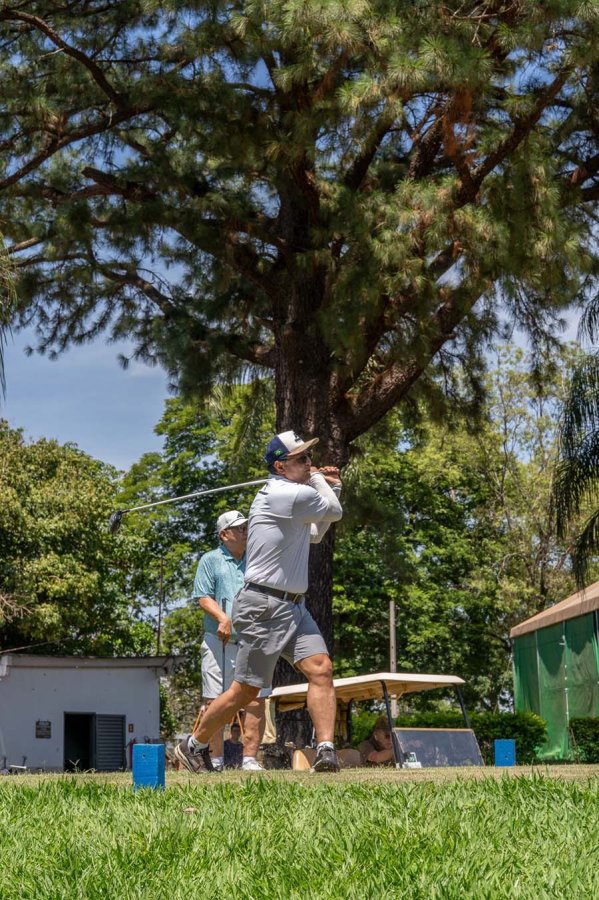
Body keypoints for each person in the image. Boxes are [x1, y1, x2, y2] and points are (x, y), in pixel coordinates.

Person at [175, 430, 343, 773]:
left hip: (293, 606)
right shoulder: (282, 494)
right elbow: (334, 512)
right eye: (301, 459)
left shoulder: (293, 497)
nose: (309, 463)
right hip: (263, 605)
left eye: (309, 458)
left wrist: (332, 486)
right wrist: (318, 480)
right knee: (246, 691)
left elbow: (316, 532)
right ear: (280, 467)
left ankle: (326, 751)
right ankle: (193, 745)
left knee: (321, 669)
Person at [175, 509, 266, 773]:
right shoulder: (210, 560)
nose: (246, 532)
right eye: (239, 528)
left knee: (255, 700)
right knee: (214, 700)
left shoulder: (257, 558)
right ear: (224, 535)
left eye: (246, 527)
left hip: (252, 638)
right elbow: (203, 596)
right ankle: (214, 759)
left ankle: (249, 760)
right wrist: (222, 618)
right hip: (219, 641)